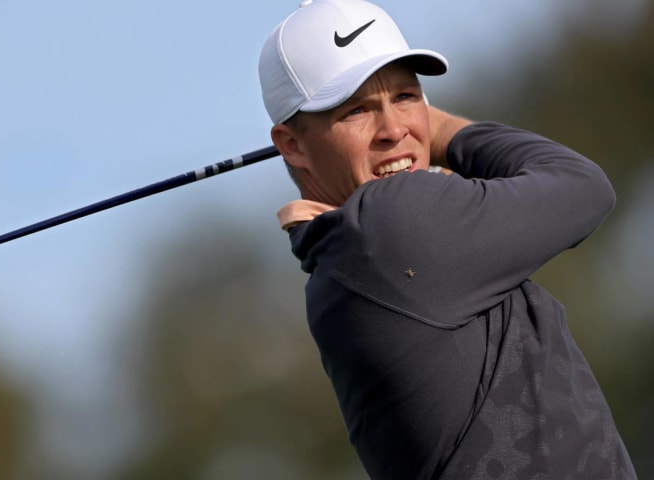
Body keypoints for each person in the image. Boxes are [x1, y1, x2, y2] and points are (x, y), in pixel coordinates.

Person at [258, 0, 638, 478]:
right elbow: (583, 186)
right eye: (357, 109)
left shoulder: (338, 256)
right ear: (292, 144)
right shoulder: (392, 225)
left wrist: (402, 121)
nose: (395, 130)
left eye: (405, 96)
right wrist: (436, 129)